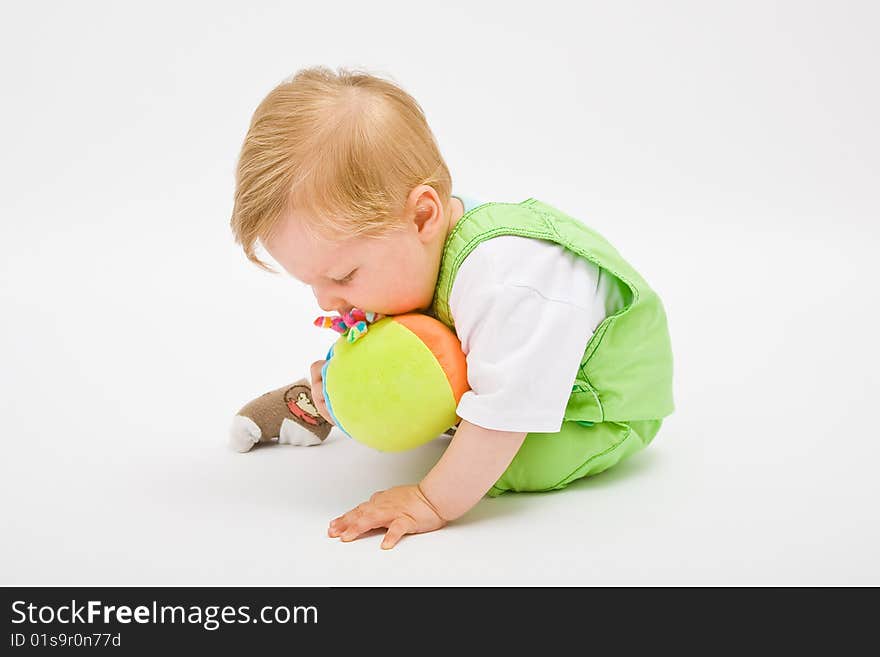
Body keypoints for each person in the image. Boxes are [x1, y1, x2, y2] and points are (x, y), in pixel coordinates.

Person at [228, 66, 675, 549]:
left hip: (591, 411)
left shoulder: (504, 280)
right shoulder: (413, 251)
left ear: (423, 215)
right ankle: (334, 394)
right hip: (521, 374)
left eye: (342, 277)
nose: (326, 301)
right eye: (310, 283)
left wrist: (431, 499)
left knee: (510, 457)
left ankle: (371, 405)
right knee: (401, 347)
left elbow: (507, 412)